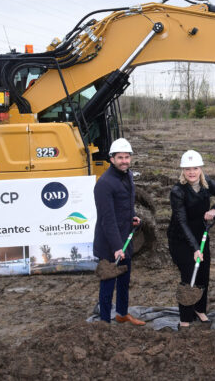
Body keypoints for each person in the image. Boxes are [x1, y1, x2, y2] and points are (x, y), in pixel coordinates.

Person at [167, 150, 215, 329]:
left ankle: (199, 309)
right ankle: (185, 318)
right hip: (180, 238)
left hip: (202, 234)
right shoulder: (177, 191)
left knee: (202, 273)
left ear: (200, 168)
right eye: (187, 169)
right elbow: (181, 221)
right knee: (189, 276)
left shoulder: (206, 183)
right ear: (183, 171)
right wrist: (195, 248)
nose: (191, 172)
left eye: (195, 168)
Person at [93, 138, 144, 325]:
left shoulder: (127, 176)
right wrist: (116, 247)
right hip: (110, 244)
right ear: (112, 159)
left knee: (124, 281)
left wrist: (133, 217)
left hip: (125, 239)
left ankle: (122, 313)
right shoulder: (104, 184)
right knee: (108, 283)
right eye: (120, 157)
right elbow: (107, 219)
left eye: (127, 157)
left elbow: (125, 205)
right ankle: (104, 322)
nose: (124, 161)